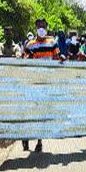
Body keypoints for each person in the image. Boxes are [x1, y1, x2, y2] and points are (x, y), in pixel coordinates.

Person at [23, 18, 66, 152]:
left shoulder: (52, 43)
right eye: (39, 26)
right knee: (31, 113)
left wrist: (62, 59)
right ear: (36, 27)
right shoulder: (30, 45)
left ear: (46, 27)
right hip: (33, 84)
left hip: (46, 84)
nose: (41, 28)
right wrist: (28, 57)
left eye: (43, 26)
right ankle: (26, 137)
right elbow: (24, 62)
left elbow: (57, 57)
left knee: (41, 113)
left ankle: (39, 141)